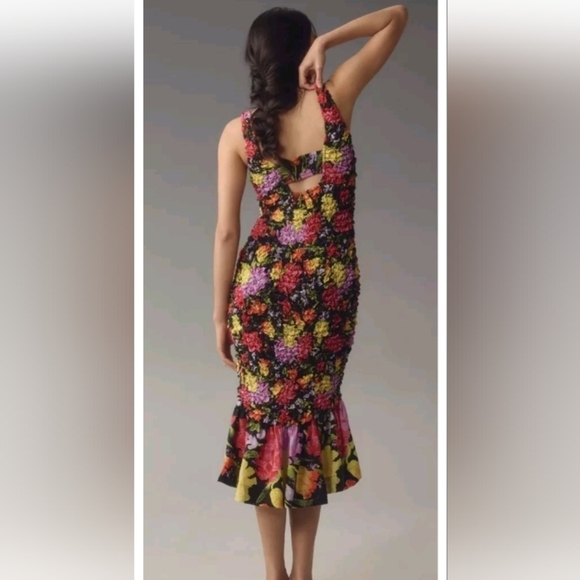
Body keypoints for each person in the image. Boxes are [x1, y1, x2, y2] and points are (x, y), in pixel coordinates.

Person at [213, 5, 408, 580]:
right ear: (303, 50)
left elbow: (226, 232)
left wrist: (219, 316)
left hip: (260, 299)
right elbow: (397, 17)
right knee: (309, 426)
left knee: (269, 428)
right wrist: (329, 43)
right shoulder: (336, 97)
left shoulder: (238, 133)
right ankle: (303, 573)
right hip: (329, 302)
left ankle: (274, 574)